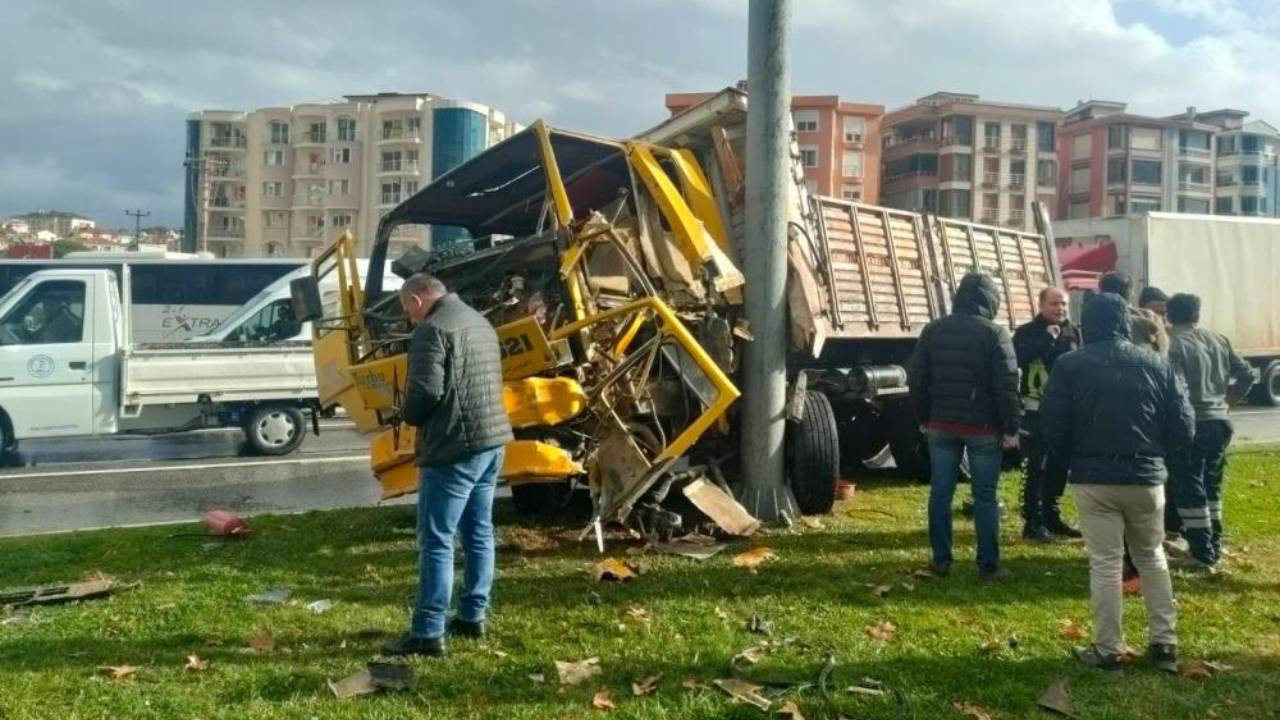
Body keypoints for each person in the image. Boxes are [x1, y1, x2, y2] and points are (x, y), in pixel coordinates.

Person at [1040, 294, 1195, 675]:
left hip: (1093, 478)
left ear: (1087, 324)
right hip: (1146, 476)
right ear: (1125, 322)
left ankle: (1108, 649)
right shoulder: (1158, 364)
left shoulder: (1069, 364)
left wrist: (1070, 459)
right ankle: (1164, 642)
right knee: (1152, 556)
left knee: (1106, 563)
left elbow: (1052, 424)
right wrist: (1157, 454)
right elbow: (1184, 426)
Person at [383, 274, 514, 657]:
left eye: (407, 309)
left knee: (437, 540)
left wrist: (406, 414)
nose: (409, 318)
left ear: (418, 300)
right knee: (479, 532)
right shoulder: (481, 322)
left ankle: (427, 631)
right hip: (492, 443)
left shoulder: (431, 330)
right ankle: (473, 616)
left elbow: (425, 392)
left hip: (453, 446)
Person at [908, 273, 1021, 581]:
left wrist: (923, 419)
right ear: (991, 301)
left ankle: (941, 561)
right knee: (984, 495)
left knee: (940, 493)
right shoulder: (995, 334)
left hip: (941, 425)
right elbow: (1007, 386)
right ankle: (988, 565)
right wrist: (1011, 427)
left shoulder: (933, 330)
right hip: (984, 429)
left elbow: (916, 379)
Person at [1165, 293, 1255, 571]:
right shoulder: (1218, 339)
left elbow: (1176, 387)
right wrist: (1229, 401)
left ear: (1169, 315)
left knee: (1189, 485)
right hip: (1219, 421)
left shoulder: (1173, 344)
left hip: (1191, 422)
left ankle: (1201, 551)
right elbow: (1248, 373)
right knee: (1211, 484)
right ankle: (1213, 543)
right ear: (1197, 314)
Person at [1013, 286, 1081, 542]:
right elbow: (1018, 359)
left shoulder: (1073, 332)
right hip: (1036, 411)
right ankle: (1032, 522)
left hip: (1065, 412)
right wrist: (1047, 340)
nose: (1060, 309)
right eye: (1054, 304)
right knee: (1036, 468)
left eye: (1064, 304)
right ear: (1041, 305)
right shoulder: (1027, 332)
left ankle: (1052, 518)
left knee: (1058, 466)